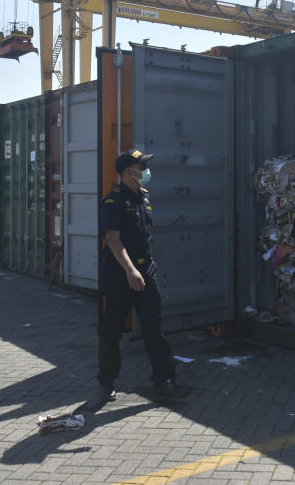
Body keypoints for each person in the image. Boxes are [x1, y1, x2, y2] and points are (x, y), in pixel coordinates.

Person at [97, 149, 186, 402]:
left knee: (153, 329)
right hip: (120, 275)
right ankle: (107, 382)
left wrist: (141, 270)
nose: (145, 171)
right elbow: (113, 239)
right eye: (140, 167)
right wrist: (130, 270)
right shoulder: (113, 201)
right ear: (127, 172)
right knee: (111, 331)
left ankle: (164, 380)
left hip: (146, 272)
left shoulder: (144, 197)